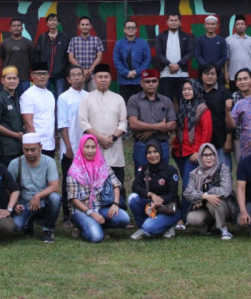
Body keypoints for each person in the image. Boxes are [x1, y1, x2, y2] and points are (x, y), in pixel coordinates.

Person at [78, 63, 129, 206]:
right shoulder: (86, 98)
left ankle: (121, 210)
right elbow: (83, 122)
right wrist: (100, 138)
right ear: (94, 79)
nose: (103, 80)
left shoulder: (118, 98)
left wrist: (111, 138)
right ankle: (95, 209)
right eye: (100, 77)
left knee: (118, 180)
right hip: (94, 147)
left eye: (106, 77)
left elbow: (123, 122)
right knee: (93, 181)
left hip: (114, 146)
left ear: (110, 79)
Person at [67, 134, 131, 243]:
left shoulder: (102, 165)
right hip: (82, 211)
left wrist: (115, 204)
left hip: (100, 208)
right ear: (81, 148)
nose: (90, 151)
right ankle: (82, 227)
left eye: (93, 147)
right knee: (96, 237)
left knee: (124, 218)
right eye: (87, 147)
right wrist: (91, 213)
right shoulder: (74, 170)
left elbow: (116, 184)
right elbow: (73, 199)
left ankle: (97, 224)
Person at [172, 78, 212, 230]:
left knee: (188, 186)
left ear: (196, 89)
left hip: (194, 154)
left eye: (189, 89)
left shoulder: (203, 108)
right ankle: (189, 213)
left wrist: (199, 152)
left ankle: (183, 219)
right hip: (180, 151)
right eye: (184, 89)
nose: (187, 91)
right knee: (188, 184)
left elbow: (207, 132)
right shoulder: (182, 105)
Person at [8, 134, 61, 243]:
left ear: (40, 147)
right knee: (16, 227)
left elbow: (55, 186)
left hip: (44, 201)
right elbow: (8, 188)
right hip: (24, 204)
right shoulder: (15, 163)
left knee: (55, 198)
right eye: (26, 150)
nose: (29, 153)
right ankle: (29, 224)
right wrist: (15, 204)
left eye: (33, 149)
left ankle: (48, 229)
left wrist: (38, 196)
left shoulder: (49, 162)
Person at [129, 139, 181, 239]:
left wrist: (160, 201)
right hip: (151, 205)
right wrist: (151, 195)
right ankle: (142, 227)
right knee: (133, 198)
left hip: (168, 208)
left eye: (155, 151)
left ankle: (168, 225)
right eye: (149, 152)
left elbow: (173, 194)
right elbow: (135, 186)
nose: (152, 155)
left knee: (148, 228)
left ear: (160, 152)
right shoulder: (143, 169)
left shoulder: (171, 170)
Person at [57, 66, 89, 227]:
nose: (77, 78)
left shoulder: (89, 96)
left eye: (79, 75)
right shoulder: (64, 98)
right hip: (70, 147)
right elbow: (63, 125)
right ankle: (67, 215)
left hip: (88, 148)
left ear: (84, 78)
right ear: (69, 79)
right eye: (73, 75)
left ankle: (84, 210)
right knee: (68, 182)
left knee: (85, 181)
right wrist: (68, 147)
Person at [184, 143, 236, 240]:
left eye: (211, 154)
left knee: (214, 201)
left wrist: (207, 194)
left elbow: (226, 189)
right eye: (205, 155)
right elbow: (187, 193)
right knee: (192, 218)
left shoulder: (222, 169)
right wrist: (205, 196)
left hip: (225, 206)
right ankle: (210, 224)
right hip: (205, 208)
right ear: (200, 157)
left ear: (215, 155)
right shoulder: (194, 173)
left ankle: (224, 229)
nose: (209, 158)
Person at [127, 69, 176, 171]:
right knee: (141, 177)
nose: (151, 84)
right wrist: (158, 127)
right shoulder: (134, 100)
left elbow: (173, 124)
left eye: (154, 81)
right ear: (141, 83)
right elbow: (133, 123)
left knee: (163, 176)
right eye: (147, 81)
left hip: (162, 144)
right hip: (142, 144)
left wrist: (152, 131)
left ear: (158, 82)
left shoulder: (166, 100)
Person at [198, 63, 235, 170]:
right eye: (206, 73)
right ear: (201, 76)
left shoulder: (224, 92)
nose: (210, 76)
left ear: (217, 75)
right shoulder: (197, 93)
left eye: (212, 73)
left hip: (221, 141)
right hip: (203, 142)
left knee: (224, 173)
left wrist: (229, 140)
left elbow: (229, 117)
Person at [154, 12, 194, 105]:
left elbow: (190, 52)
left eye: (176, 20)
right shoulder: (161, 36)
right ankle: (168, 120)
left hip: (182, 74)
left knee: (184, 101)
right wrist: (169, 64)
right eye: (171, 20)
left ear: (179, 22)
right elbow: (159, 53)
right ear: (167, 22)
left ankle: (183, 119)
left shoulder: (186, 36)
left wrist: (178, 65)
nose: (173, 22)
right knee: (165, 102)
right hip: (166, 74)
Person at [20, 62, 57, 158]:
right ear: (32, 76)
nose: (42, 76)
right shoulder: (28, 95)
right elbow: (28, 123)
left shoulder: (50, 94)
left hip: (50, 143)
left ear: (48, 75)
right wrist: (35, 145)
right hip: (37, 145)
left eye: (44, 74)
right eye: (38, 74)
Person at [0, 66, 25, 168]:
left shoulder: (18, 97)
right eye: (9, 78)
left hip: (20, 147)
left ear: (18, 80)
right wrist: (16, 135)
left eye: (14, 78)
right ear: (2, 80)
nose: (12, 81)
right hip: (7, 150)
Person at [113, 19, 152, 102]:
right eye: (128, 27)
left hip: (139, 80)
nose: (130, 29)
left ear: (136, 30)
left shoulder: (143, 43)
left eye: (133, 27)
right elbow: (117, 60)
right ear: (124, 29)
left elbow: (147, 60)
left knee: (141, 103)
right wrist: (126, 73)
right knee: (124, 104)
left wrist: (136, 72)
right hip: (124, 80)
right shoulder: (119, 44)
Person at [33, 13, 69, 99]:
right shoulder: (42, 37)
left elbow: (68, 55)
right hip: (45, 74)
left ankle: (59, 113)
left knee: (60, 98)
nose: (52, 22)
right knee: (43, 97)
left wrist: (63, 66)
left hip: (60, 74)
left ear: (58, 23)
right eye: (50, 20)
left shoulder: (64, 37)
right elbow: (37, 54)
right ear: (47, 23)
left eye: (54, 20)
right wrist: (41, 69)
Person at [67, 16, 104, 92]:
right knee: (78, 96)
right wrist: (82, 70)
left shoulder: (96, 40)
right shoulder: (74, 40)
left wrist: (89, 71)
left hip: (93, 74)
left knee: (94, 96)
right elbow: (71, 58)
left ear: (91, 26)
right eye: (82, 25)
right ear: (79, 26)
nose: (85, 26)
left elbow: (99, 58)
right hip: (78, 74)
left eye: (87, 25)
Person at [0, 18, 33, 95]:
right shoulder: (4, 43)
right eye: (14, 26)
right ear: (10, 28)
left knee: (24, 101)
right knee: (9, 101)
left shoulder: (28, 43)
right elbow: (2, 59)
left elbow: (32, 60)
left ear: (22, 28)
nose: (16, 27)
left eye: (18, 25)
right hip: (9, 78)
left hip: (24, 78)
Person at [225, 15, 251, 91]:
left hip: (249, 75)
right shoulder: (228, 40)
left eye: (242, 24)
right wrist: (226, 73)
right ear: (234, 27)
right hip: (234, 76)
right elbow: (226, 59)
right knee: (235, 96)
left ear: (246, 26)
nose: (240, 26)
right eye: (238, 24)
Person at [195, 14, 228, 87]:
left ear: (217, 26)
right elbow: (198, 55)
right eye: (208, 24)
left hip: (218, 74)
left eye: (213, 24)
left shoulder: (222, 40)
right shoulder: (199, 40)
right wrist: (206, 67)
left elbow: (224, 56)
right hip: (203, 73)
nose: (210, 26)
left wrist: (215, 67)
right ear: (205, 25)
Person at [230, 67, 251, 162]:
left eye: (245, 78)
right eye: (239, 80)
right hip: (239, 139)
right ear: (236, 83)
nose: (243, 82)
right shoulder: (233, 97)